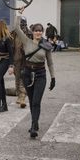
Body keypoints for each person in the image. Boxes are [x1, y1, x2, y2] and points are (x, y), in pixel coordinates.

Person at [16, 8, 55, 139]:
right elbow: (16, 28)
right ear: (32, 32)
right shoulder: (26, 40)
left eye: (40, 31)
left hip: (40, 74)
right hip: (27, 73)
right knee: (32, 100)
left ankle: (33, 126)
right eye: (36, 30)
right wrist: (19, 14)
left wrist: (53, 77)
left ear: (42, 32)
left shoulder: (46, 45)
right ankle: (35, 122)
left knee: (36, 101)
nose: (38, 32)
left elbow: (50, 62)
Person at [9, 16, 32, 108]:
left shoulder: (29, 33)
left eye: (24, 23)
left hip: (25, 59)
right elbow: (10, 46)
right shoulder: (13, 33)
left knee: (23, 78)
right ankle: (19, 96)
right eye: (21, 23)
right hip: (15, 59)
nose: (23, 25)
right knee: (17, 78)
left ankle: (22, 97)